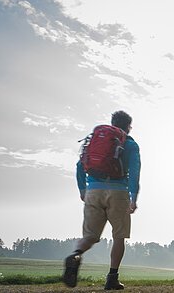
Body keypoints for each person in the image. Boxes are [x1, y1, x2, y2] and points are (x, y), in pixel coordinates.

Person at [63, 110, 141, 290]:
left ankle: (75, 255)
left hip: (93, 190)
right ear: (128, 127)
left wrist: (83, 189)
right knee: (119, 236)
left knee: (90, 236)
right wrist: (133, 197)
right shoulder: (130, 144)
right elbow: (134, 172)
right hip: (118, 192)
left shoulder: (96, 139)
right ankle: (112, 278)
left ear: (112, 123)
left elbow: (80, 166)